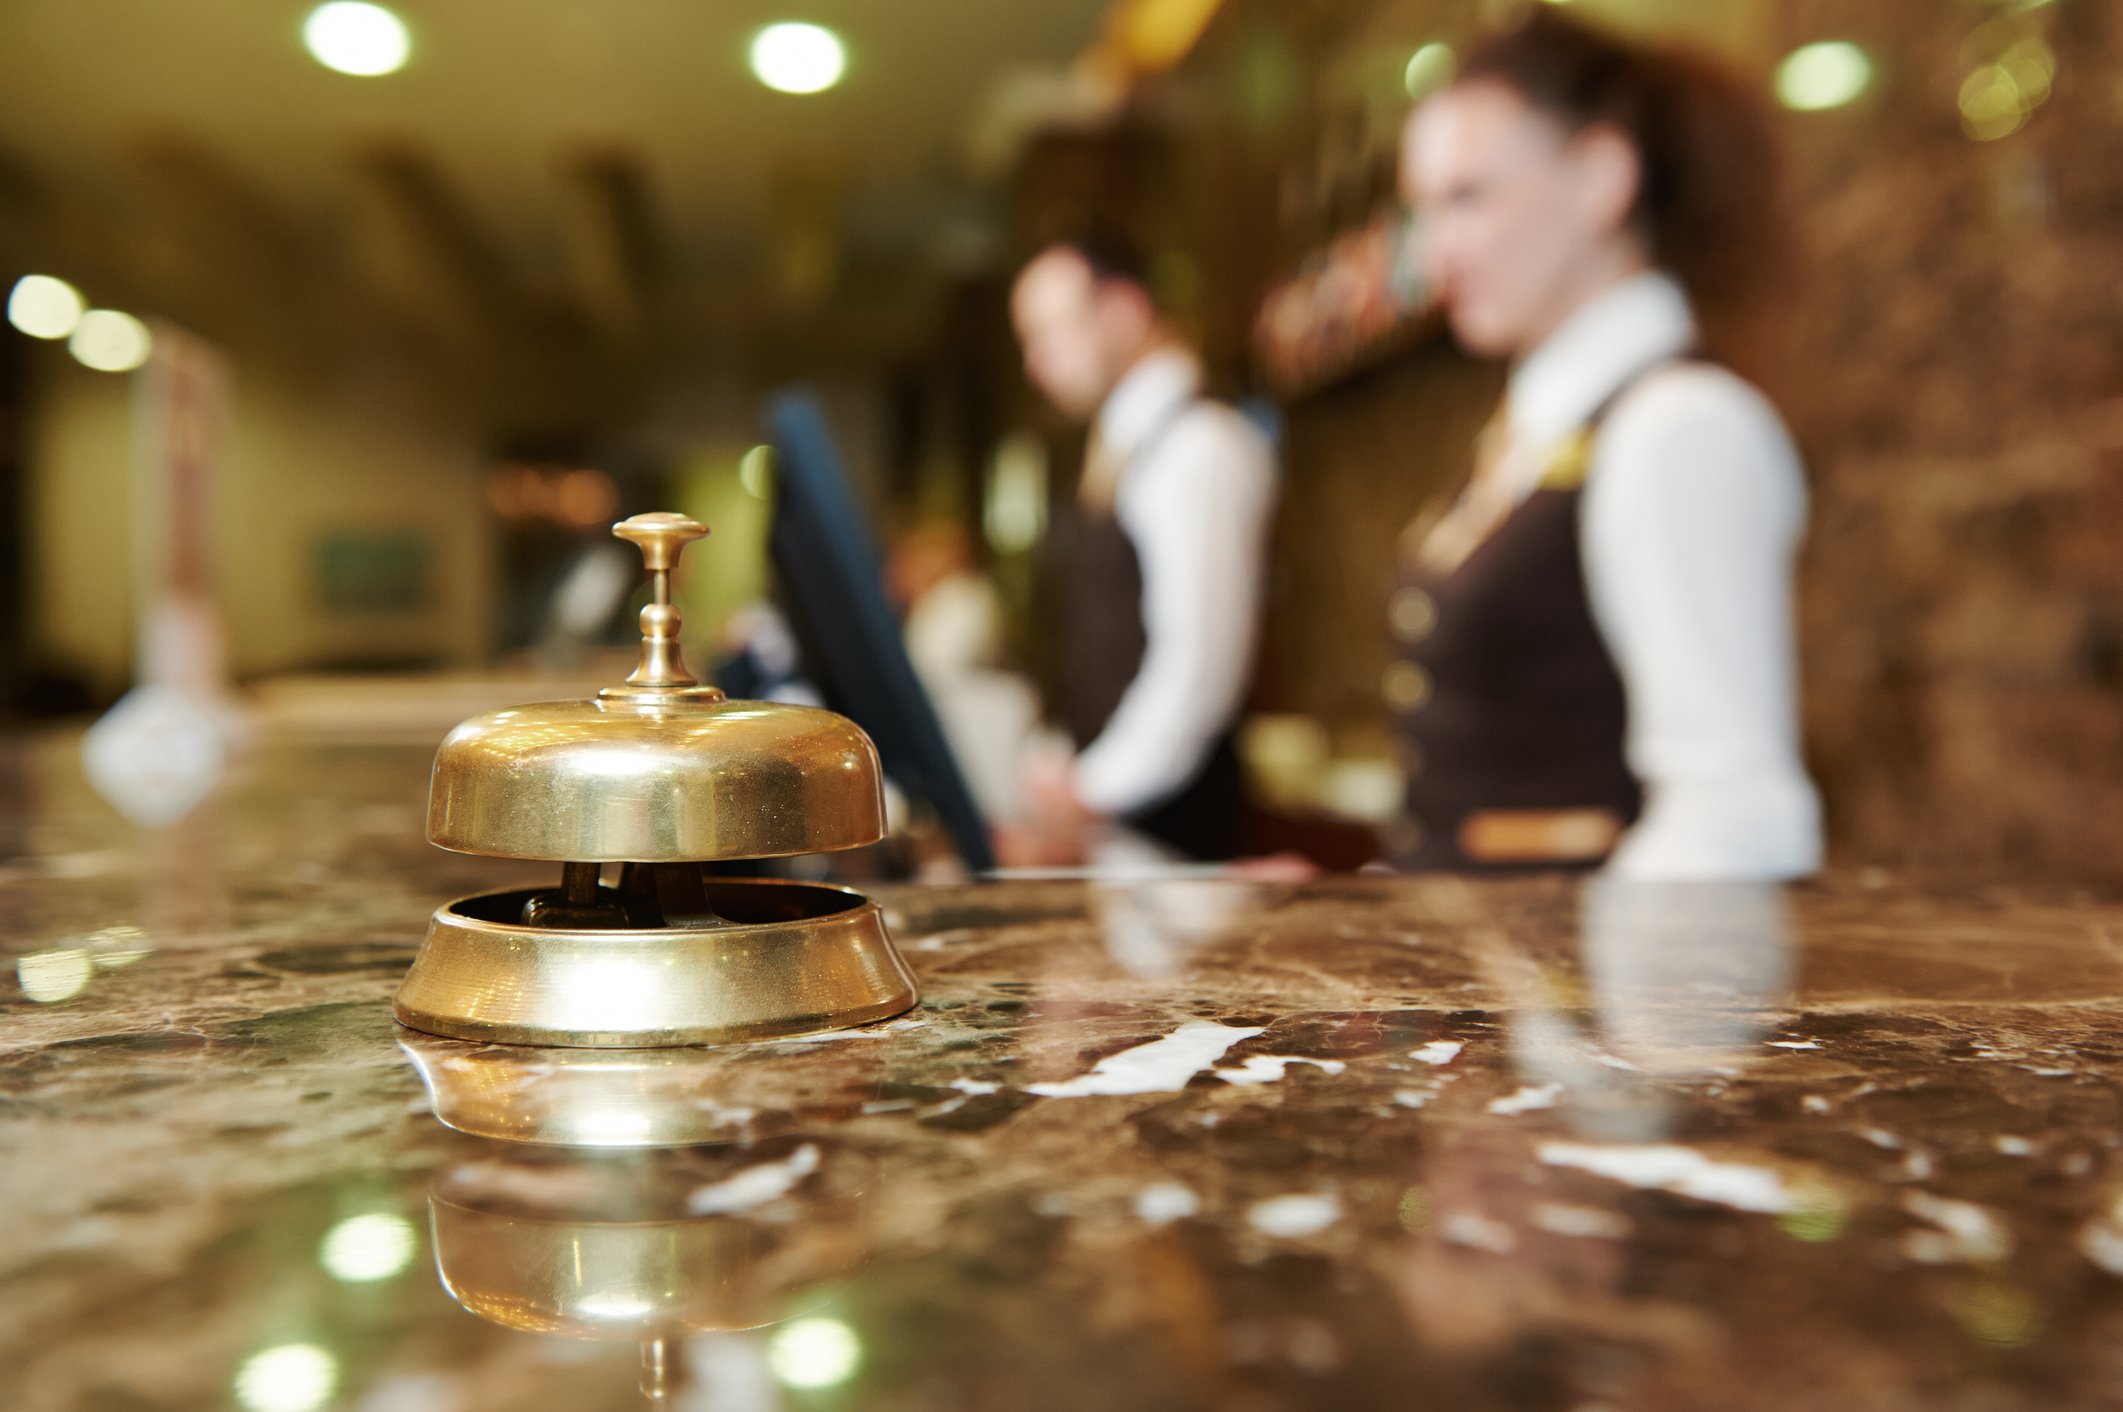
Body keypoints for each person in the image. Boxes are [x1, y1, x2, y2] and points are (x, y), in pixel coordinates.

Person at [1389, 7, 1820, 879]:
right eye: (1423, 210)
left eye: (1467, 196)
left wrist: (1586, 1018)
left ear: (1600, 176)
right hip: (1489, 994)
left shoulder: (1676, 424)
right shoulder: (1540, 425)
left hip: (1573, 1004)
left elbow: (1734, 816)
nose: (1438, 252)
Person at [1005, 234, 1279, 863]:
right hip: (1120, 820)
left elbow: (1198, 668)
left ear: (1124, 310)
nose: (1036, 364)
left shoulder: (1200, 442)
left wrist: (1093, 787)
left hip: (1175, 825)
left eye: (1050, 334)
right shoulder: (1123, 446)